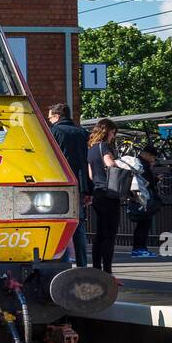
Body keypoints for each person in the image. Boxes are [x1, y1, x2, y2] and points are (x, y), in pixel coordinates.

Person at [48, 103, 91, 267]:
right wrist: (88, 189)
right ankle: (82, 263)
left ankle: (60, 260)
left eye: (50, 117)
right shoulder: (82, 133)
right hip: (78, 185)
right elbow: (86, 163)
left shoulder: (54, 132)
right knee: (78, 225)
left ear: (57, 116)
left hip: (58, 184)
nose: (50, 120)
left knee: (58, 224)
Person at [86, 118, 120, 274]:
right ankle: (107, 270)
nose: (113, 136)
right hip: (109, 194)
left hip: (97, 194)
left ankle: (96, 268)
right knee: (110, 234)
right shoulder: (105, 147)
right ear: (108, 131)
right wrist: (119, 164)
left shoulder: (91, 148)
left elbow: (91, 175)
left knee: (100, 234)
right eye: (113, 133)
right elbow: (110, 164)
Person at [128, 146, 162, 257]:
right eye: (152, 157)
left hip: (137, 197)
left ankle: (139, 248)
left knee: (142, 225)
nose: (153, 160)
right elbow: (148, 182)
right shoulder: (143, 165)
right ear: (147, 154)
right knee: (144, 224)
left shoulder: (136, 163)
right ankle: (140, 249)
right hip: (143, 199)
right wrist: (155, 179)